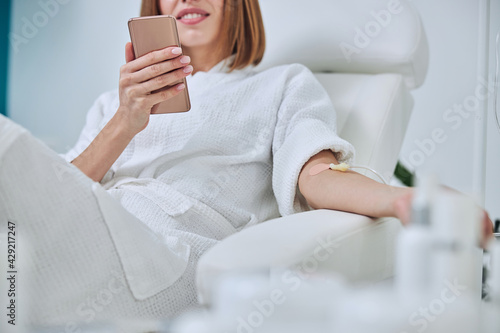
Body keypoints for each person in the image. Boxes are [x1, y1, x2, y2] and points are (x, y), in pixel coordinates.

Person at [0, 0, 493, 328]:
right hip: (89, 234)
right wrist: (126, 122)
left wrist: (410, 201)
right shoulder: (117, 101)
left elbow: (317, 178)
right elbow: (52, 193)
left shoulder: (279, 86)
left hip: (164, 259)